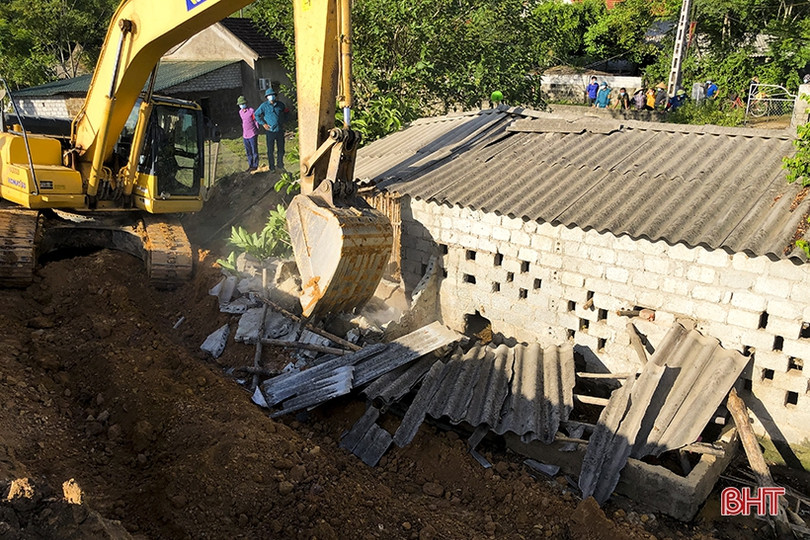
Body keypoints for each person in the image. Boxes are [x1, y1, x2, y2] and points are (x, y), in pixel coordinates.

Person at [255, 88, 288, 172]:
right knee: (270, 150)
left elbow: (286, 112)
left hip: (280, 130)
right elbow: (256, 115)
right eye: (269, 96)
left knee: (281, 149)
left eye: (273, 95)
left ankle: (280, 165)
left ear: (275, 96)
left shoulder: (280, 105)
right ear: (267, 97)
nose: (271, 97)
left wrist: (284, 121)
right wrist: (263, 124)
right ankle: (272, 167)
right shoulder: (264, 106)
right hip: (270, 131)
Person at [237, 96, 260, 172]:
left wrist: (257, 129)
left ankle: (255, 165)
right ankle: (250, 165)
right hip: (245, 134)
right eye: (240, 104)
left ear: (246, 103)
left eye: (243, 104)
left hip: (252, 133)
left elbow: (255, 120)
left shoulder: (251, 111)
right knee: (248, 151)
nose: (242, 105)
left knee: (254, 151)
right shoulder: (240, 112)